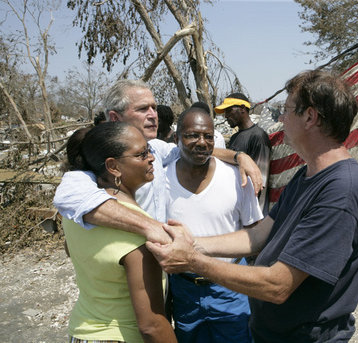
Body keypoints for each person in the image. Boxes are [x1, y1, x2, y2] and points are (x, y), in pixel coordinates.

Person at [147, 70, 358, 342]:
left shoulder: (341, 190)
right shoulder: (307, 176)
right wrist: (192, 243)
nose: (281, 118)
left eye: (287, 110)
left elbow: (278, 285)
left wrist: (193, 261)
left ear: (310, 117)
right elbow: (257, 236)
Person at [53, 79, 263, 245]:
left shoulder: (156, 149)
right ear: (115, 118)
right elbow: (68, 196)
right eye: (143, 109)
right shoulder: (95, 158)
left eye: (154, 107)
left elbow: (192, 149)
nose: (153, 115)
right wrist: (151, 228)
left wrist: (239, 157)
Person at [62, 122, 177, 343]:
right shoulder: (139, 228)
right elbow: (152, 325)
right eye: (141, 154)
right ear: (113, 166)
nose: (151, 158)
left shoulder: (77, 212)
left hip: (81, 333)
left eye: (149, 150)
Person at [165, 106, 262, 342]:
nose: (201, 142)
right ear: (177, 138)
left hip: (231, 288)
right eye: (192, 135)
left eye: (208, 136)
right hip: (183, 291)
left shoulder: (237, 179)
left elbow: (254, 237)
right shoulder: (160, 180)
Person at [215, 93, 271, 214]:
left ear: (242, 108)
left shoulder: (258, 136)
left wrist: (255, 214)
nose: (226, 116)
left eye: (229, 110)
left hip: (252, 209)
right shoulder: (235, 137)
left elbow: (260, 180)